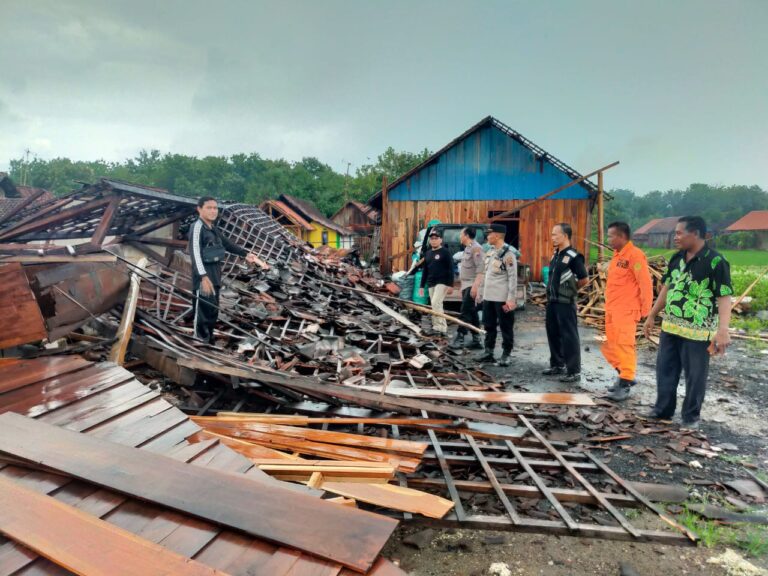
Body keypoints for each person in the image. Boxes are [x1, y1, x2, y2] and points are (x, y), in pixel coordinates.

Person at [643, 216, 732, 429]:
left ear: (695, 233)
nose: (675, 237)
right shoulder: (677, 258)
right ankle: (662, 410)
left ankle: (691, 417)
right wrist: (652, 314)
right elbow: (667, 288)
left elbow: (724, 296)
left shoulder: (716, 261)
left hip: (697, 332)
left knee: (695, 376)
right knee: (665, 370)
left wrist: (723, 330)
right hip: (671, 327)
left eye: (679, 233)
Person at [189, 196, 269, 343]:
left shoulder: (212, 228)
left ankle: (209, 342)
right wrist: (203, 277)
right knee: (203, 312)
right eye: (209, 208)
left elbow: (227, 244)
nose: (213, 211)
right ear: (199, 209)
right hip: (203, 278)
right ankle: (200, 341)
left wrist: (246, 254)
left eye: (215, 208)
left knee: (212, 311)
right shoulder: (197, 227)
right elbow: (195, 254)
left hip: (215, 275)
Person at [601, 222, 653, 401]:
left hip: (626, 310)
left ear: (622, 236)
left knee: (624, 345)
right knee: (611, 346)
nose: (608, 239)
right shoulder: (617, 255)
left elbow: (645, 283)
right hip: (612, 309)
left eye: (610, 236)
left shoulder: (635, 255)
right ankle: (624, 375)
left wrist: (646, 310)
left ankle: (625, 381)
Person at [543, 223, 589, 382]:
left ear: (565, 236)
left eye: (555, 234)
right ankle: (557, 364)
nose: (552, 237)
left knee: (569, 336)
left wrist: (570, 290)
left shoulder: (574, 256)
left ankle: (574, 371)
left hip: (565, 302)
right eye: (552, 234)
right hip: (552, 301)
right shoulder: (556, 255)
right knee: (553, 333)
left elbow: (584, 279)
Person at [477, 223, 517, 366]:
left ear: (497, 235)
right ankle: (488, 352)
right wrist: (480, 292)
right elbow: (485, 275)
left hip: (502, 298)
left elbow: (512, 278)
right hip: (489, 297)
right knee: (488, 325)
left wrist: (511, 299)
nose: (487, 236)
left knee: (506, 327)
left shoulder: (508, 254)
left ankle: (506, 354)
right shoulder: (490, 252)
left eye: (489, 234)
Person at [451, 227, 485, 349]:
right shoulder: (468, 248)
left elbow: (481, 270)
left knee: (465, 311)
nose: (460, 237)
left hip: (472, 285)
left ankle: (460, 337)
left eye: (461, 234)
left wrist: (475, 287)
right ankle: (476, 340)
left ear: (466, 235)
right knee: (472, 311)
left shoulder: (476, 248)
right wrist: (462, 287)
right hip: (467, 284)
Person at [418, 229, 453, 336]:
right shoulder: (428, 253)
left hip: (442, 281)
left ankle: (441, 327)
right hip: (431, 282)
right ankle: (437, 326)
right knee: (436, 305)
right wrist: (421, 286)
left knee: (435, 302)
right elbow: (425, 271)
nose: (433, 240)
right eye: (432, 238)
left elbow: (451, 268)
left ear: (440, 240)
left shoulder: (445, 252)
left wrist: (451, 284)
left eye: (436, 238)